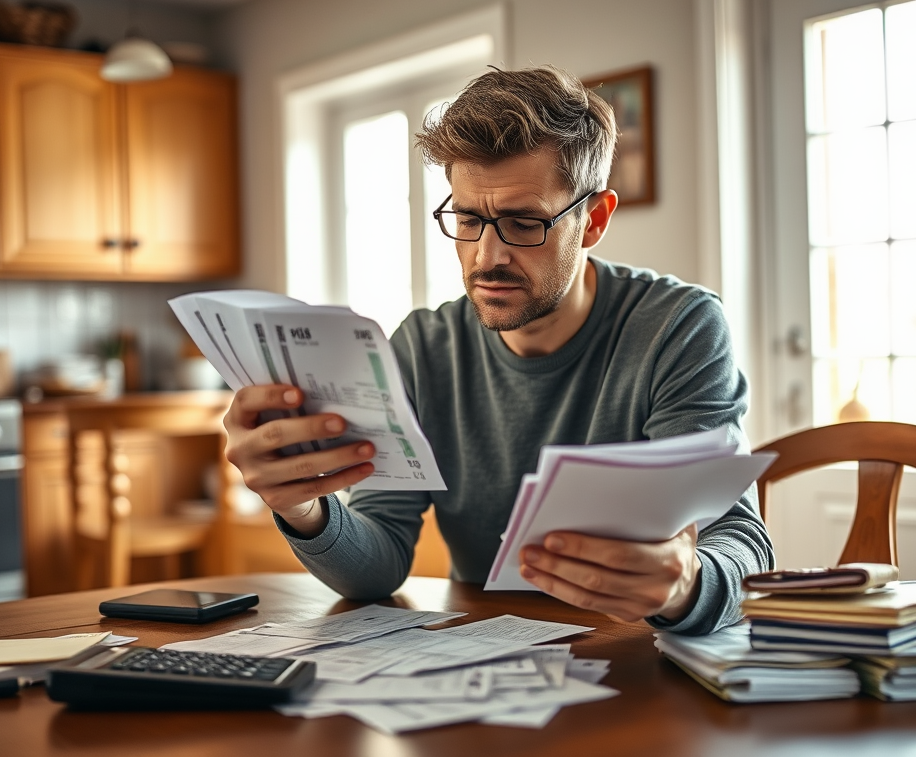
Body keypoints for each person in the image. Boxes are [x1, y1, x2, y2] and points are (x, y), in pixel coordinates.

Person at [223, 66, 774, 635]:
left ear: (594, 220)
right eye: (468, 219)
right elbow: (378, 564)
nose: (487, 257)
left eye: (522, 223)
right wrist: (302, 507)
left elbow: (739, 543)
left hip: (634, 657)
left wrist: (684, 585)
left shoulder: (677, 329)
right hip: (484, 664)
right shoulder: (423, 346)